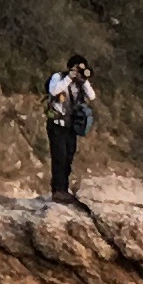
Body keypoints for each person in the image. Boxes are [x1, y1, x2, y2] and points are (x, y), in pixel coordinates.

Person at [44, 55, 96, 203]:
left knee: (68, 157)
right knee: (59, 157)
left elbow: (92, 96)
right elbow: (54, 91)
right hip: (56, 124)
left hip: (70, 126)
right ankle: (57, 190)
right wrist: (69, 77)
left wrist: (84, 81)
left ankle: (64, 189)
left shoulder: (80, 83)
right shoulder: (58, 77)